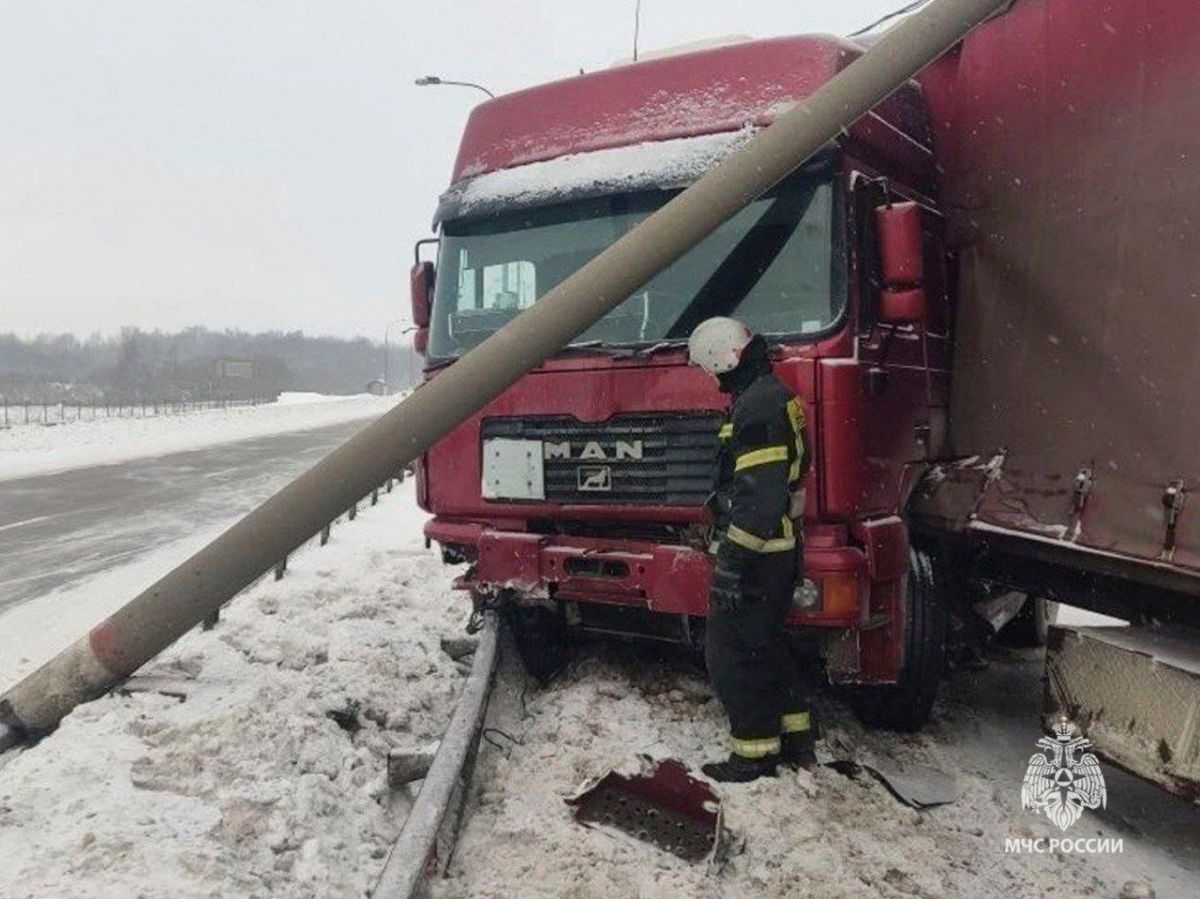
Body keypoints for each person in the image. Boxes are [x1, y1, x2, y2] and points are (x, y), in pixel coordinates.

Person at [687, 316, 816, 782]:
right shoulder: (768, 394)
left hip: (760, 555)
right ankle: (795, 738)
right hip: (777, 552)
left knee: (731, 654)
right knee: (767, 646)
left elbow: (759, 502)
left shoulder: (758, 405)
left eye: (712, 369)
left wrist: (731, 564)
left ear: (725, 358)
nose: (714, 380)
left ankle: (754, 755)